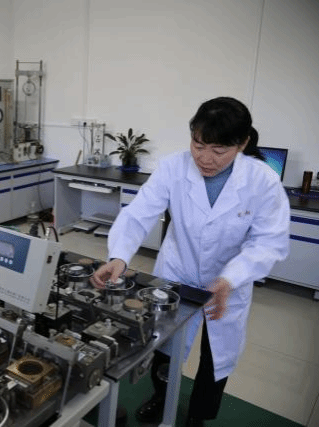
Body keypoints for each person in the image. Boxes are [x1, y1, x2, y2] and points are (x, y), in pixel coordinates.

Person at [90, 96, 290, 427]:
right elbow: (138, 214)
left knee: (216, 356)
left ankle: (198, 415)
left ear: (242, 144)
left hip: (228, 284)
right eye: (198, 145)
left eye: (218, 150)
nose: (205, 158)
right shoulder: (174, 167)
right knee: (164, 344)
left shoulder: (262, 181)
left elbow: (268, 242)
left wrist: (231, 277)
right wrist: (119, 257)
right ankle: (161, 396)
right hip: (177, 271)